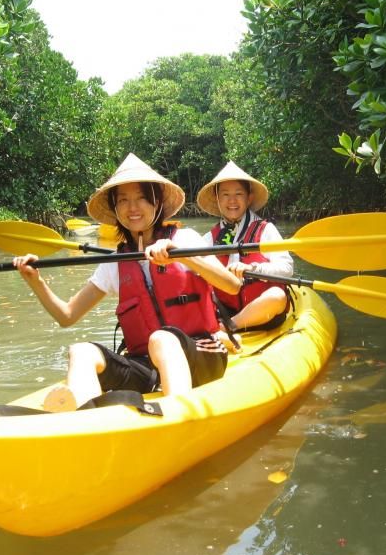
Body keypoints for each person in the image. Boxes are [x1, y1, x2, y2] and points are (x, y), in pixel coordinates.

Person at [13, 153, 241, 412]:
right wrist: (35, 280)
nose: (133, 208)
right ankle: (83, 418)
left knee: (162, 338)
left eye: (141, 198)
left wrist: (185, 257)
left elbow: (232, 285)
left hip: (202, 354)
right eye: (123, 200)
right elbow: (67, 316)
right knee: (82, 351)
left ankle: (177, 416)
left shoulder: (185, 239)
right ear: (114, 208)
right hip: (146, 367)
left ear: (157, 202)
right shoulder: (115, 262)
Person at [196, 161, 294, 334]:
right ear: (218, 199)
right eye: (225, 194)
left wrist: (251, 268)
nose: (232, 200)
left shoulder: (265, 230)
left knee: (277, 296)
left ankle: (231, 326)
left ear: (248, 198)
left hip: (264, 313)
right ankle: (221, 326)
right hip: (223, 311)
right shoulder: (209, 238)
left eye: (238, 194)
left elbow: (287, 268)